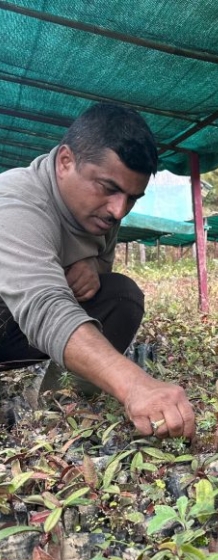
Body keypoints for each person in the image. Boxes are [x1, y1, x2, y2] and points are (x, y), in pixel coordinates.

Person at [0, 103, 195, 439]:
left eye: (132, 197)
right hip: (19, 314)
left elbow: (103, 264)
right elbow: (44, 305)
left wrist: (93, 265)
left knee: (122, 295)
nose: (119, 210)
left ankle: (59, 405)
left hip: (15, 328)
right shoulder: (16, 200)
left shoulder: (102, 214)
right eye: (108, 188)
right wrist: (134, 384)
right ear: (65, 162)